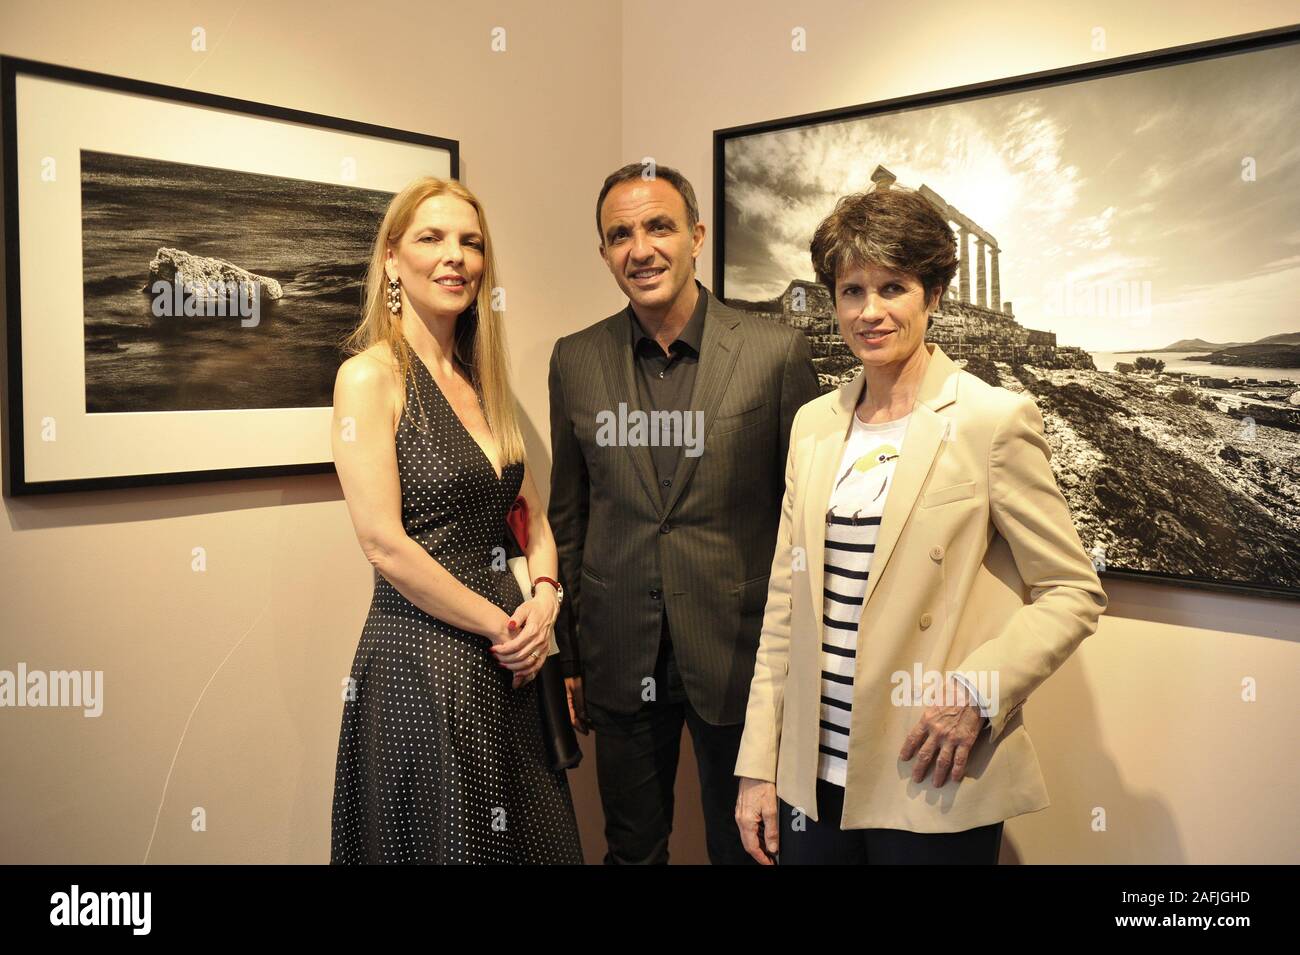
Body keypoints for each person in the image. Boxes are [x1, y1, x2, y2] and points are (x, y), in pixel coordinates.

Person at [734, 185, 1109, 865]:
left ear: (933, 294)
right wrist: (760, 762)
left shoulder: (991, 419)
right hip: (811, 779)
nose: (869, 311)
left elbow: (1073, 590)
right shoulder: (813, 425)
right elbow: (785, 607)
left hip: (928, 769)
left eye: (893, 287)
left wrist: (978, 690)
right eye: (851, 290)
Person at [547, 162, 820, 864]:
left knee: (749, 849)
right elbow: (569, 514)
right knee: (633, 849)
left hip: (740, 654)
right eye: (620, 234)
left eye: (659, 226)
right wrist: (571, 653)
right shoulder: (575, 360)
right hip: (619, 649)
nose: (641, 248)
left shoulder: (774, 352)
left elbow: (806, 521)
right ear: (605, 251)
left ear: (696, 236)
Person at [329, 176, 582, 864]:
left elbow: (532, 518)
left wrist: (546, 599)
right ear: (391, 259)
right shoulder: (368, 377)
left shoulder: (485, 379)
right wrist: (505, 626)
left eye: (470, 242)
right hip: (425, 662)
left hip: (514, 659)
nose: (456, 257)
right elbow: (384, 544)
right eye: (432, 238)